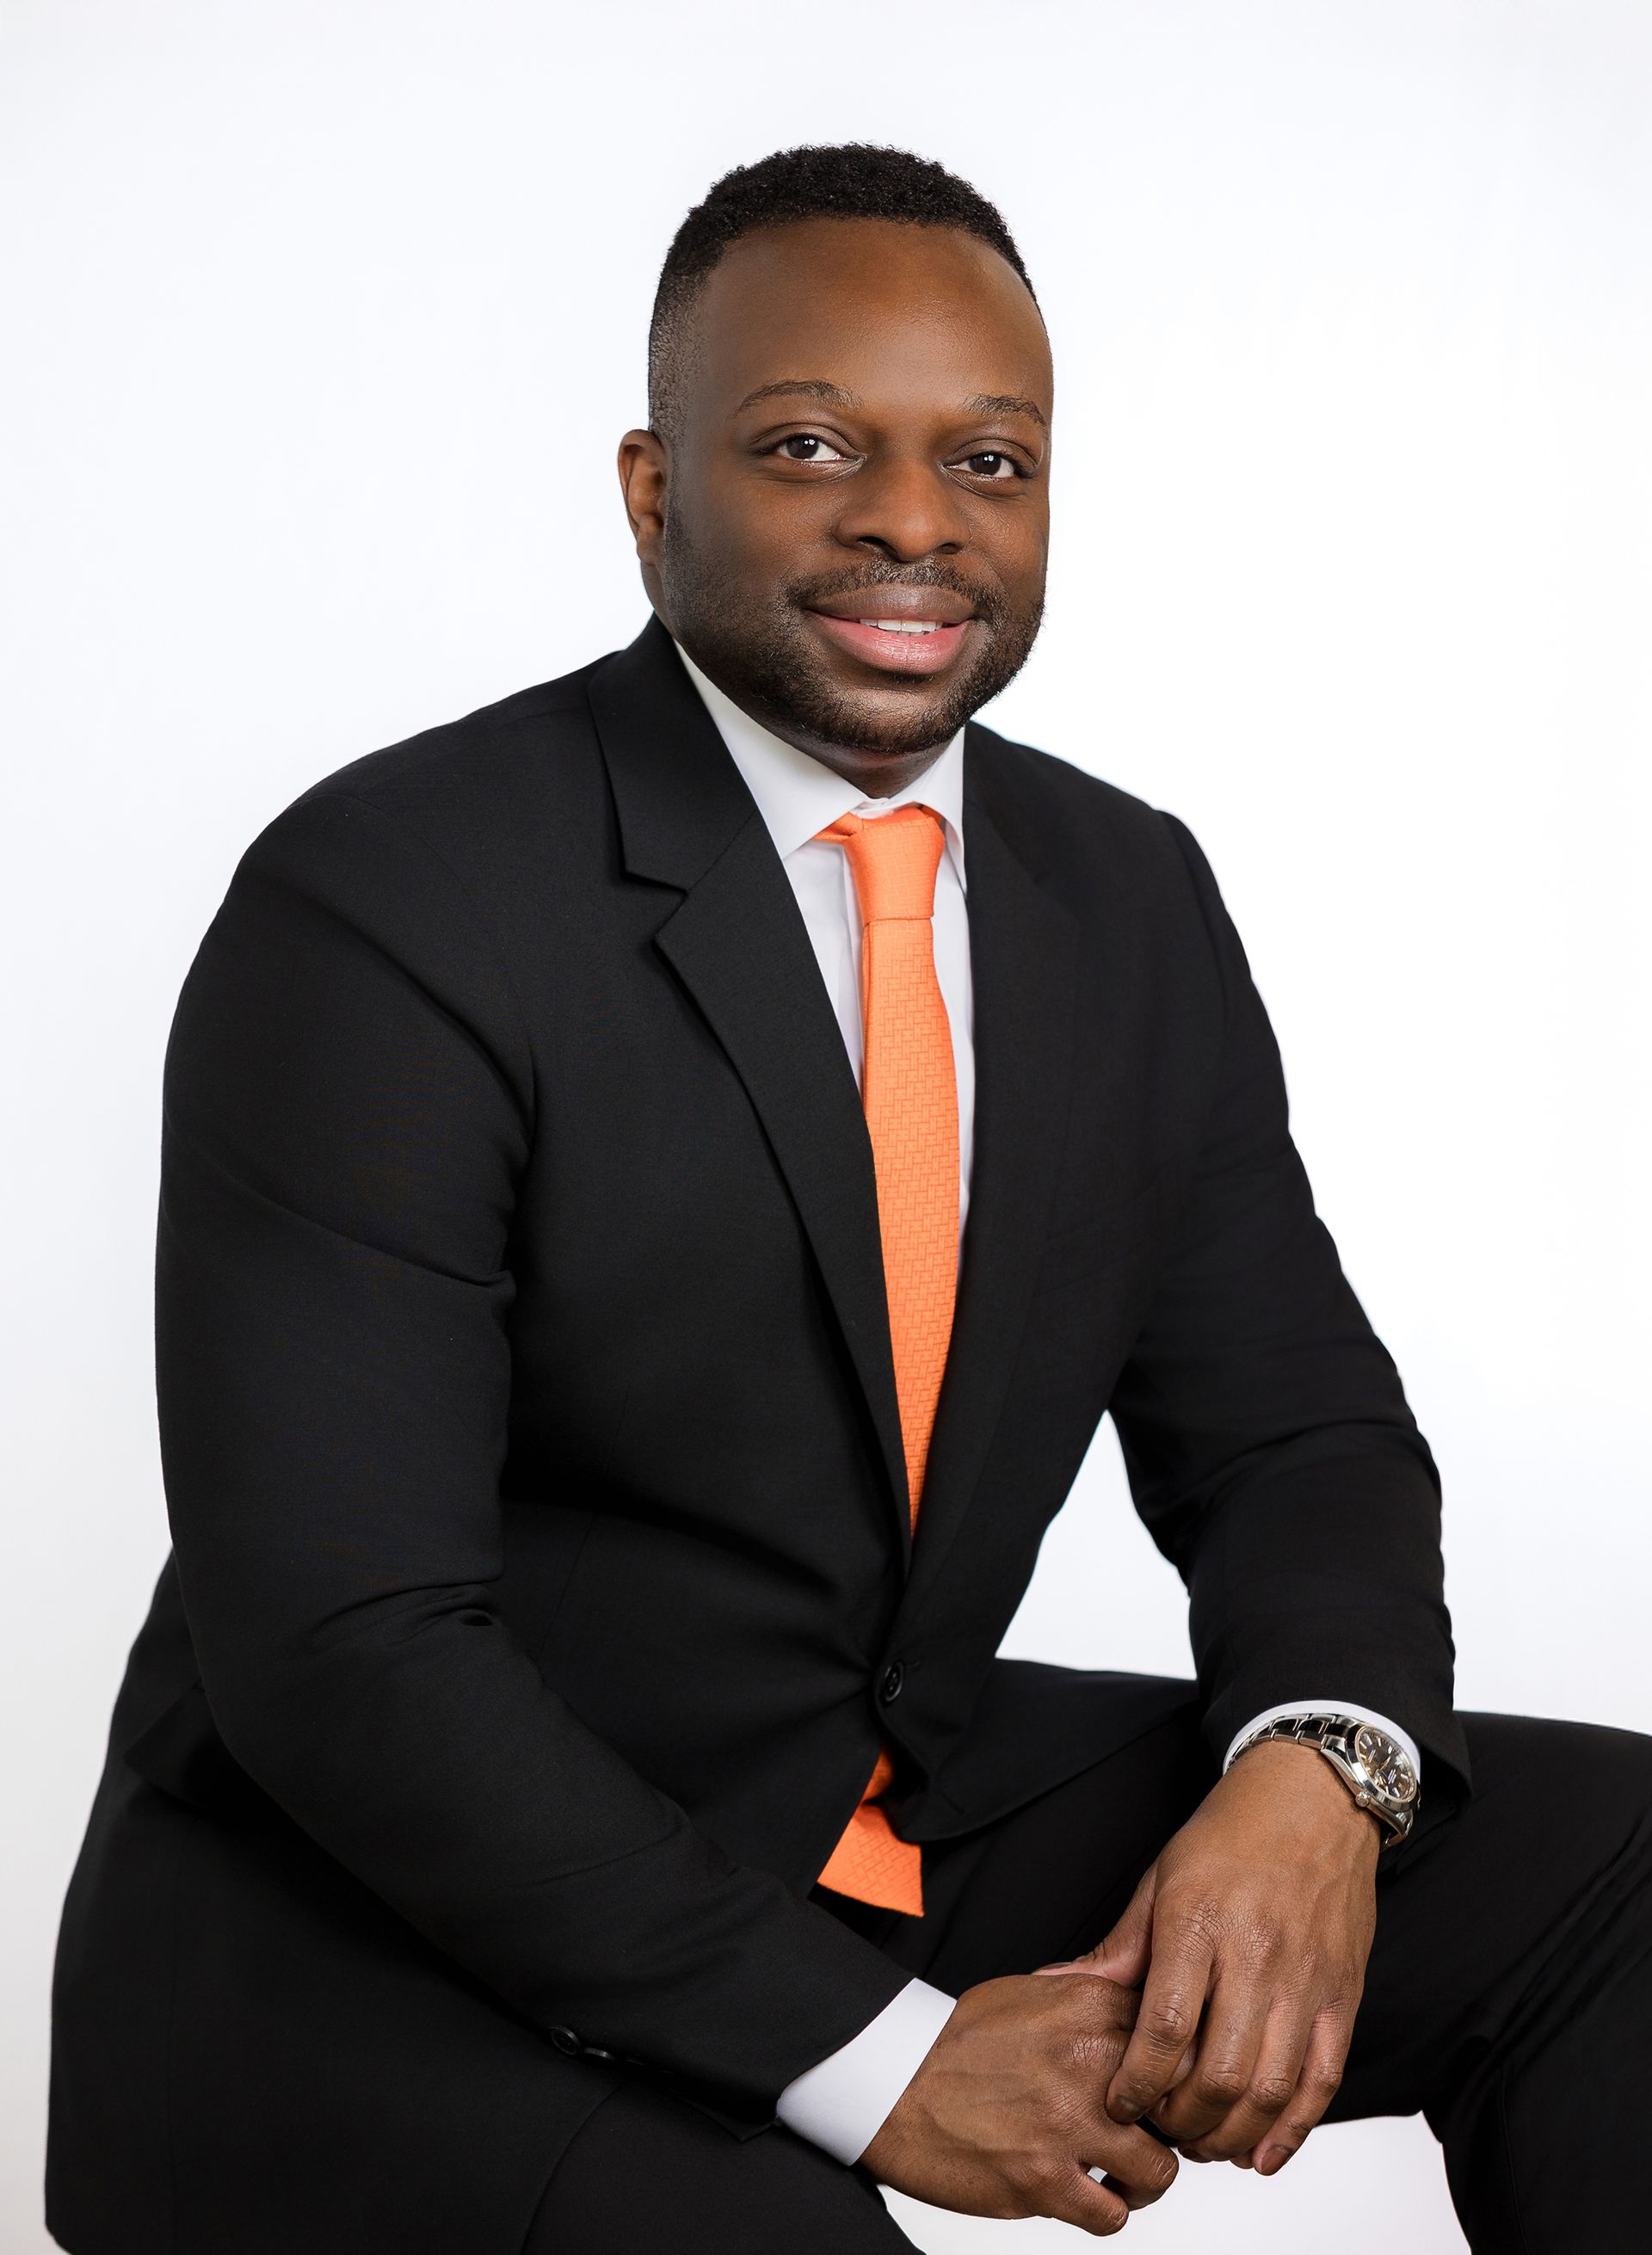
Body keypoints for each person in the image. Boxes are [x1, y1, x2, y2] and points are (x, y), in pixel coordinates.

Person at [47, 144, 1650, 2255]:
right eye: (811, 445)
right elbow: (349, 1652)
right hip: (379, 1935)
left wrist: (1313, 1778)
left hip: (863, 1799)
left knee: (1618, 1868)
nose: (915, 519)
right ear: (651, 491)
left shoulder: (1124, 893)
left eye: (991, 457)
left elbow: (1293, 1431)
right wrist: (882, 2062)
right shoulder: (390, 904)